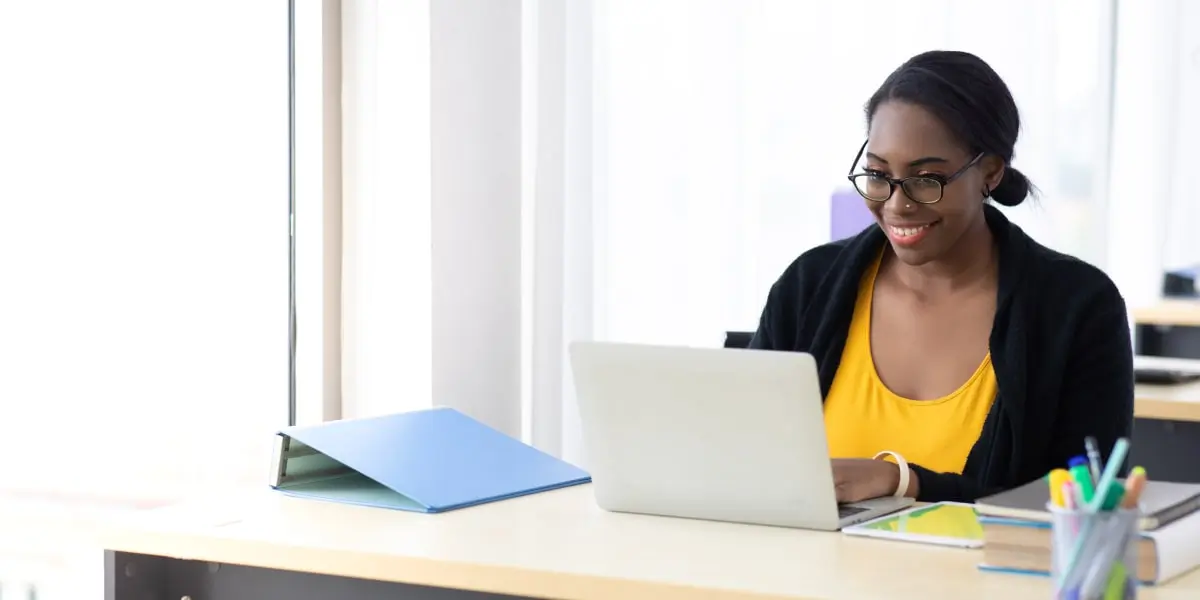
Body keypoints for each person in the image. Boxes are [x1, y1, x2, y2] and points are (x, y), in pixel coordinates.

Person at [748, 50, 1134, 503]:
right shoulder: (808, 286)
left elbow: (1085, 506)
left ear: (990, 171)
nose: (897, 204)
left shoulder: (1075, 307)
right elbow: (747, 457)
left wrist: (904, 482)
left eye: (926, 179)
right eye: (877, 174)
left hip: (985, 574)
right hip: (802, 572)